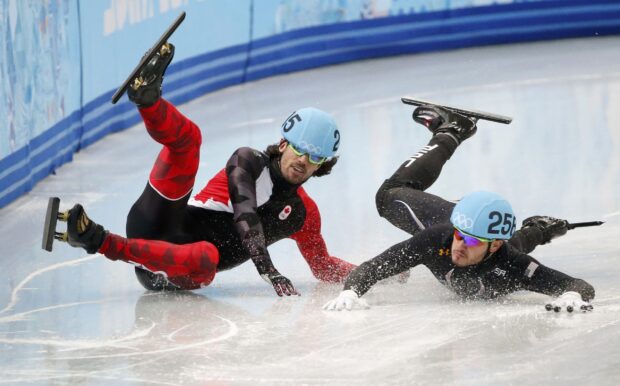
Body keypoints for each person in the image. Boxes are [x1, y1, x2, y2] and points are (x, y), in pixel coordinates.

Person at [56, 42, 356, 296]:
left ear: (322, 166)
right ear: (282, 143)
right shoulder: (247, 162)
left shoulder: (305, 214)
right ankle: (148, 100)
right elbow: (245, 216)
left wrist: (374, 270)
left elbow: (323, 265)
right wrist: (269, 271)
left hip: (177, 272)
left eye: (314, 158)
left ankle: (96, 239)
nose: (303, 161)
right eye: (299, 149)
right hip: (156, 223)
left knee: (208, 256)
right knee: (190, 140)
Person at [323, 105, 595, 312]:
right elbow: (373, 268)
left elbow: (578, 286)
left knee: (517, 241)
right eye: (460, 236)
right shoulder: (438, 239)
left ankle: (538, 228)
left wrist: (572, 296)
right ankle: (452, 129)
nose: (460, 245)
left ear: (494, 247)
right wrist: (351, 292)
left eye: (473, 240)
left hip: (500, 239)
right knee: (388, 197)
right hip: (447, 217)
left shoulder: (510, 263)